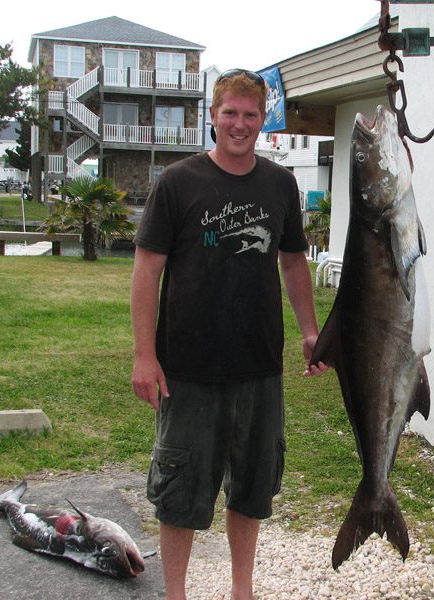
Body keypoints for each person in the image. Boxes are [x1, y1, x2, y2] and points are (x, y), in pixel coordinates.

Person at [130, 68, 328, 600]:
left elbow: (292, 262)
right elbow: (147, 269)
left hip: (259, 366)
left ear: (264, 121)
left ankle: (243, 590)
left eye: (250, 114)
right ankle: (176, 594)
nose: (240, 124)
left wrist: (310, 332)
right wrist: (144, 356)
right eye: (230, 113)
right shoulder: (178, 182)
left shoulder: (280, 184)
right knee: (180, 493)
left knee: (253, 489)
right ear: (212, 117)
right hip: (188, 370)